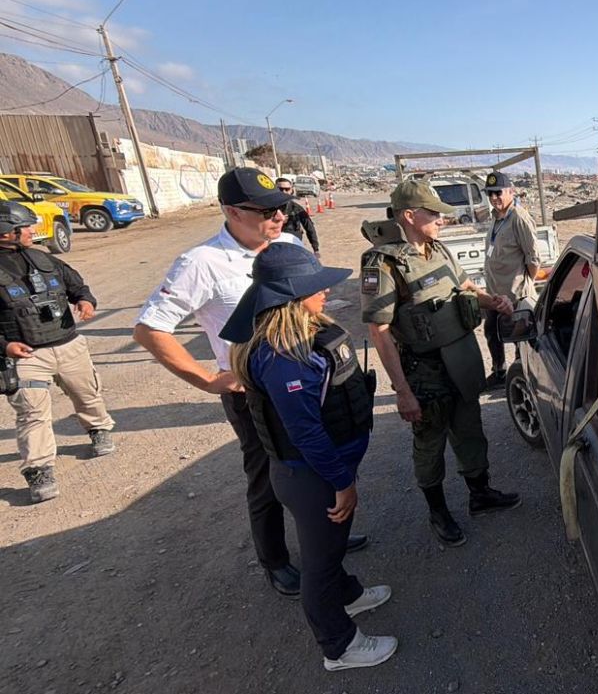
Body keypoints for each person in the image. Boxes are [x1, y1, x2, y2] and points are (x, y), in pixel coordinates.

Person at [134, 168, 366, 600]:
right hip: (255, 394)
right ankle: (275, 560)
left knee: (319, 462)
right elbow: (149, 329)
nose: (280, 216)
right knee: (268, 476)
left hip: (306, 382)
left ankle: (324, 534)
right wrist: (207, 379)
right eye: (266, 211)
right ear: (231, 212)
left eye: (281, 207)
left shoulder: (288, 244)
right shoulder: (201, 263)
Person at [221, 242, 396, 671]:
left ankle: (347, 595)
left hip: (321, 471)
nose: (325, 292)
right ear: (289, 298)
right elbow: (305, 432)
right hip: (313, 477)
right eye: (314, 287)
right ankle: (339, 646)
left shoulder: (303, 336)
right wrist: (342, 482)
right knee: (319, 562)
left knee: (331, 550)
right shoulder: (284, 357)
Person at [360, 178, 520, 547]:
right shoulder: (382, 263)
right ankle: (438, 512)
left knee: (470, 428)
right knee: (430, 443)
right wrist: (402, 391)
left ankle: (480, 494)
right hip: (424, 370)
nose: (442, 219)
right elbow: (379, 330)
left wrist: (493, 301)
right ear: (410, 216)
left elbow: (464, 288)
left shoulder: (438, 248)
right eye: (434, 214)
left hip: (461, 360)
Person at [0, 201, 115, 503]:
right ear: (5, 232)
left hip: (68, 345)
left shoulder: (43, 258)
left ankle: (99, 429)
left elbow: (77, 286)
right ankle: (39, 470)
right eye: (25, 227)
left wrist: (85, 301)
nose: (32, 230)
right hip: (26, 357)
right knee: (32, 414)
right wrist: (5, 346)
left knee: (87, 394)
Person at [481, 171, 539, 389]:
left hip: (515, 294)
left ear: (511, 192)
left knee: (518, 339)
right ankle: (499, 372)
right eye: (490, 194)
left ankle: (520, 377)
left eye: (498, 193)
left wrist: (525, 284)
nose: (494, 198)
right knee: (492, 332)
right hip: (494, 294)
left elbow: (533, 258)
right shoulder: (496, 217)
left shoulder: (518, 218)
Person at [276, 177, 320, 256]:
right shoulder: (265, 208)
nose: (284, 192)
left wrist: (316, 249)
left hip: (294, 246)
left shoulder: (297, 208)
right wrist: (275, 221)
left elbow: (309, 227)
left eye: (287, 189)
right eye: (280, 189)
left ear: (291, 190)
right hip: (274, 246)